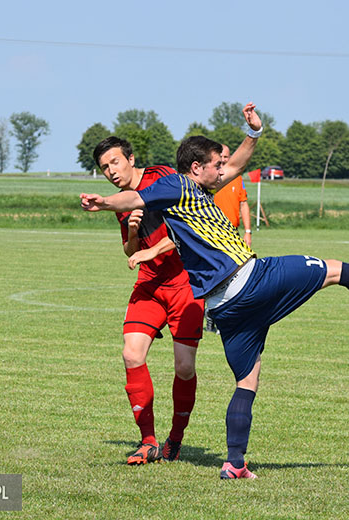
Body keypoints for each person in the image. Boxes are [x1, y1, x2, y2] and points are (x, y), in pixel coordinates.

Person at [81, 103, 349, 479]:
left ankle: (234, 463)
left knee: (247, 381)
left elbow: (234, 163)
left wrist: (253, 132)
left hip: (224, 308)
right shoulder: (178, 184)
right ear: (195, 168)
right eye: (215, 165)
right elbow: (134, 199)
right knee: (334, 270)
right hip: (252, 278)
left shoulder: (196, 189)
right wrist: (106, 202)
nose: (223, 170)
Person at [92, 136, 204, 465]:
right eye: (104, 168)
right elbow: (130, 249)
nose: (111, 171)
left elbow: (189, 229)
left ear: (130, 158)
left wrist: (152, 250)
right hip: (150, 282)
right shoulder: (123, 200)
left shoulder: (163, 178)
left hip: (185, 283)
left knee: (184, 368)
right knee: (131, 354)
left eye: (114, 162)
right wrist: (131, 233)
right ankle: (149, 441)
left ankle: (176, 439)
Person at [203, 143, 251, 334]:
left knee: (236, 277)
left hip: (233, 234)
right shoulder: (209, 179)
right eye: (220, 156)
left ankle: (227, 316)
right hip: (212, 233)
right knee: (213, 277)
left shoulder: (237, 178)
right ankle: (210, 315)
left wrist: (248, 231)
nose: (224, 159)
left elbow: (244, 204)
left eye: (227, 157)